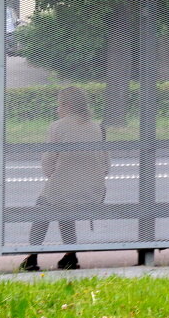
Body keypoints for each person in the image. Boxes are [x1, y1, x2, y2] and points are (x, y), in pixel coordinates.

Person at [20, 86, 110, 272]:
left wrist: (55, 175)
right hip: (93, 192)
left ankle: (31, 256)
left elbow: (48, 163)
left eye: (59, 104)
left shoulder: (58, 127)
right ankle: (70, 255)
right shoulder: (98, 127)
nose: (57, 109)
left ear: (68, 105)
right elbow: (106, 165)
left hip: (64, 191)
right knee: (63, 202)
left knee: (44, 205)